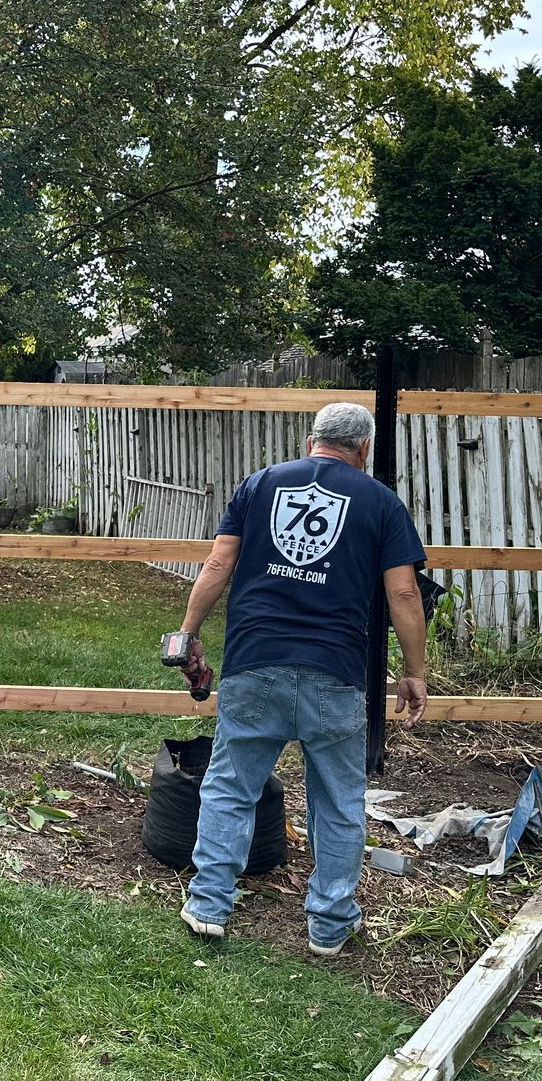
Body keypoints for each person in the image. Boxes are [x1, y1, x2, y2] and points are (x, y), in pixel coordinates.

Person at [171, 402, 430, 958]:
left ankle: (209, 905)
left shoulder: (260, 484)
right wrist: (414, 672)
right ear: (364, 448)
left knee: (230, 787)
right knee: (338, 802)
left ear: (311, 440)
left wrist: (188, 633)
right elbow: (405, 593)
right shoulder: (381, 502)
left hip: (255, 662)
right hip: (335, 673)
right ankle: (329, 926)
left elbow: (217, 565)